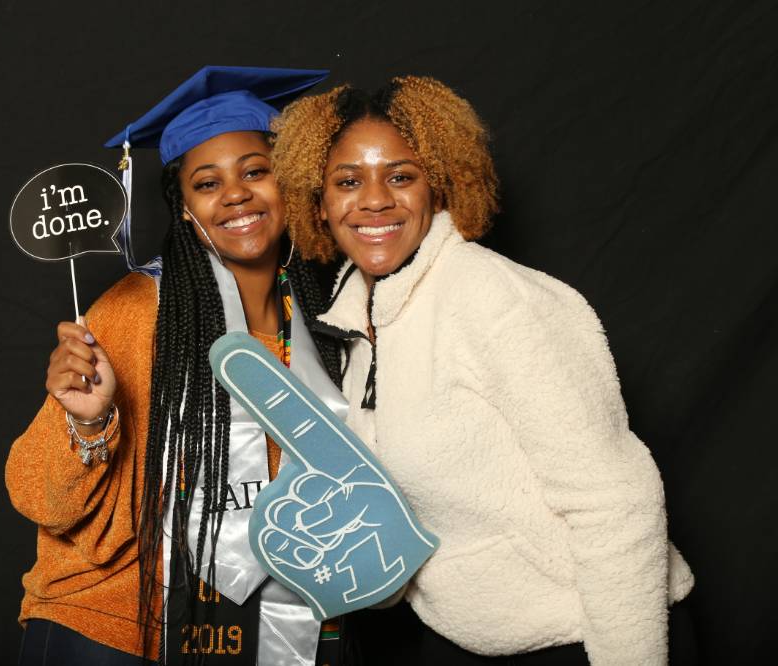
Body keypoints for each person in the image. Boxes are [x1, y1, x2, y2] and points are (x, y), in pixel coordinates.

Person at [270, 76, 696, 665]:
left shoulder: (494, 297)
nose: (374, 200)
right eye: (347, 181)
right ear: (317, 202)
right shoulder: (357, 314)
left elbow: (616, 500)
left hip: (585, 632)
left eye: (401, 176)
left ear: (439, 188)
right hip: (464, 635)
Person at [6, 66, 351, 665]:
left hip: (252, 634)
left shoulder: (326, 316)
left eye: (255, 171)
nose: (235, 194)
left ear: (289, 183)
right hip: (111, 627)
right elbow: (42, 500)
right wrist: (88, 422)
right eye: (207, 183)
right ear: (186, 208)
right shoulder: (141, 310)